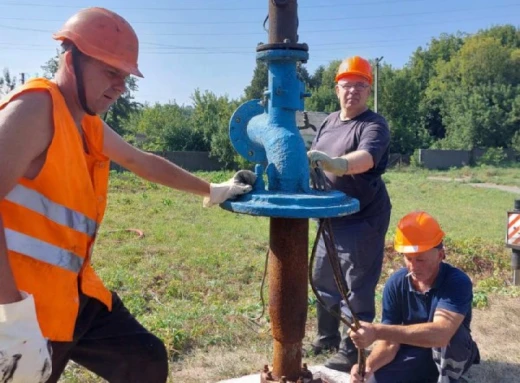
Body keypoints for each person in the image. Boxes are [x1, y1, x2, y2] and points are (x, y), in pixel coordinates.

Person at [0, 7, 255, 383]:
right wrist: (13, 319)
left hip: (71, 296)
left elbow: (142, 161)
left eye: (125, 76)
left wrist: (212, 189)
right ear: (71, 59)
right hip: (23, 308)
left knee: (144, 360)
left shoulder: (85, 123)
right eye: (110, 72)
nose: (121, 86)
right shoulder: (35, 109)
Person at [306, 55, 392, 371]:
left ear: (368, 90)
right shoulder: (329, 121)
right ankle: (326, 337)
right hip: (330, 215)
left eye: (360, 85)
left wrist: (336, 163)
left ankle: (350, 349)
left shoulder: (373, 124)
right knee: (322, 277)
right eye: (347, 85)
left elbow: (367, 158)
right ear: (336, 89)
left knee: (355, 282)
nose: (352, 91)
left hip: (362, 217)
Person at [349, 211, 480, 383]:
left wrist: (376, 331)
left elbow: (441, 334)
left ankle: (450, 379)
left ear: (440, 254)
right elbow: (389, 343)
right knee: (374, 378)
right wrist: (368, 367)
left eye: (420, 260)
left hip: (448, 350)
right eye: (408, 259)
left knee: (453, 335)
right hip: (414, 349)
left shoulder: (456, 282)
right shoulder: (396, 283)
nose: (413, 267)